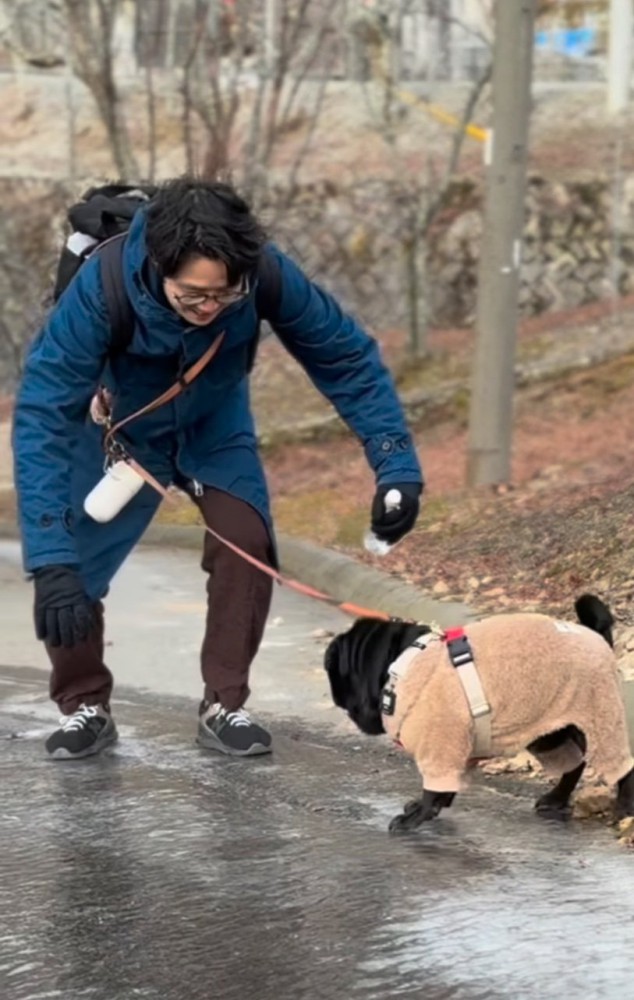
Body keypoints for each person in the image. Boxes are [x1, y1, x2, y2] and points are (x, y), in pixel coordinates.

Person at [12, 175, 423, 760]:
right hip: (119, 431)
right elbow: (41, 416)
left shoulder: (265, 274)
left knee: (245, 541)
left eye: (223, 297)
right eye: (192, 296)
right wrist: (50, 559)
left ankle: (224, 701)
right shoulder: (101, 290)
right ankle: (84, 705)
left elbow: (345, 356)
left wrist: (395, 467)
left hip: (213, 422)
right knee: (71, 571)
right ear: (158, 265)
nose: (209, 308)